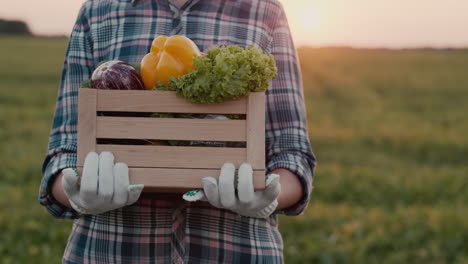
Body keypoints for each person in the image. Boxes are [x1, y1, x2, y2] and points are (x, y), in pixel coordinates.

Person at [39, 0, 316, 263]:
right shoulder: (98, 11)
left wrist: (265, 196)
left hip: (236, 251)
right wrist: (78, 192)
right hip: (109, 251)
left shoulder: (263, 9)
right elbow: (64, 152)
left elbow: (291, 154)